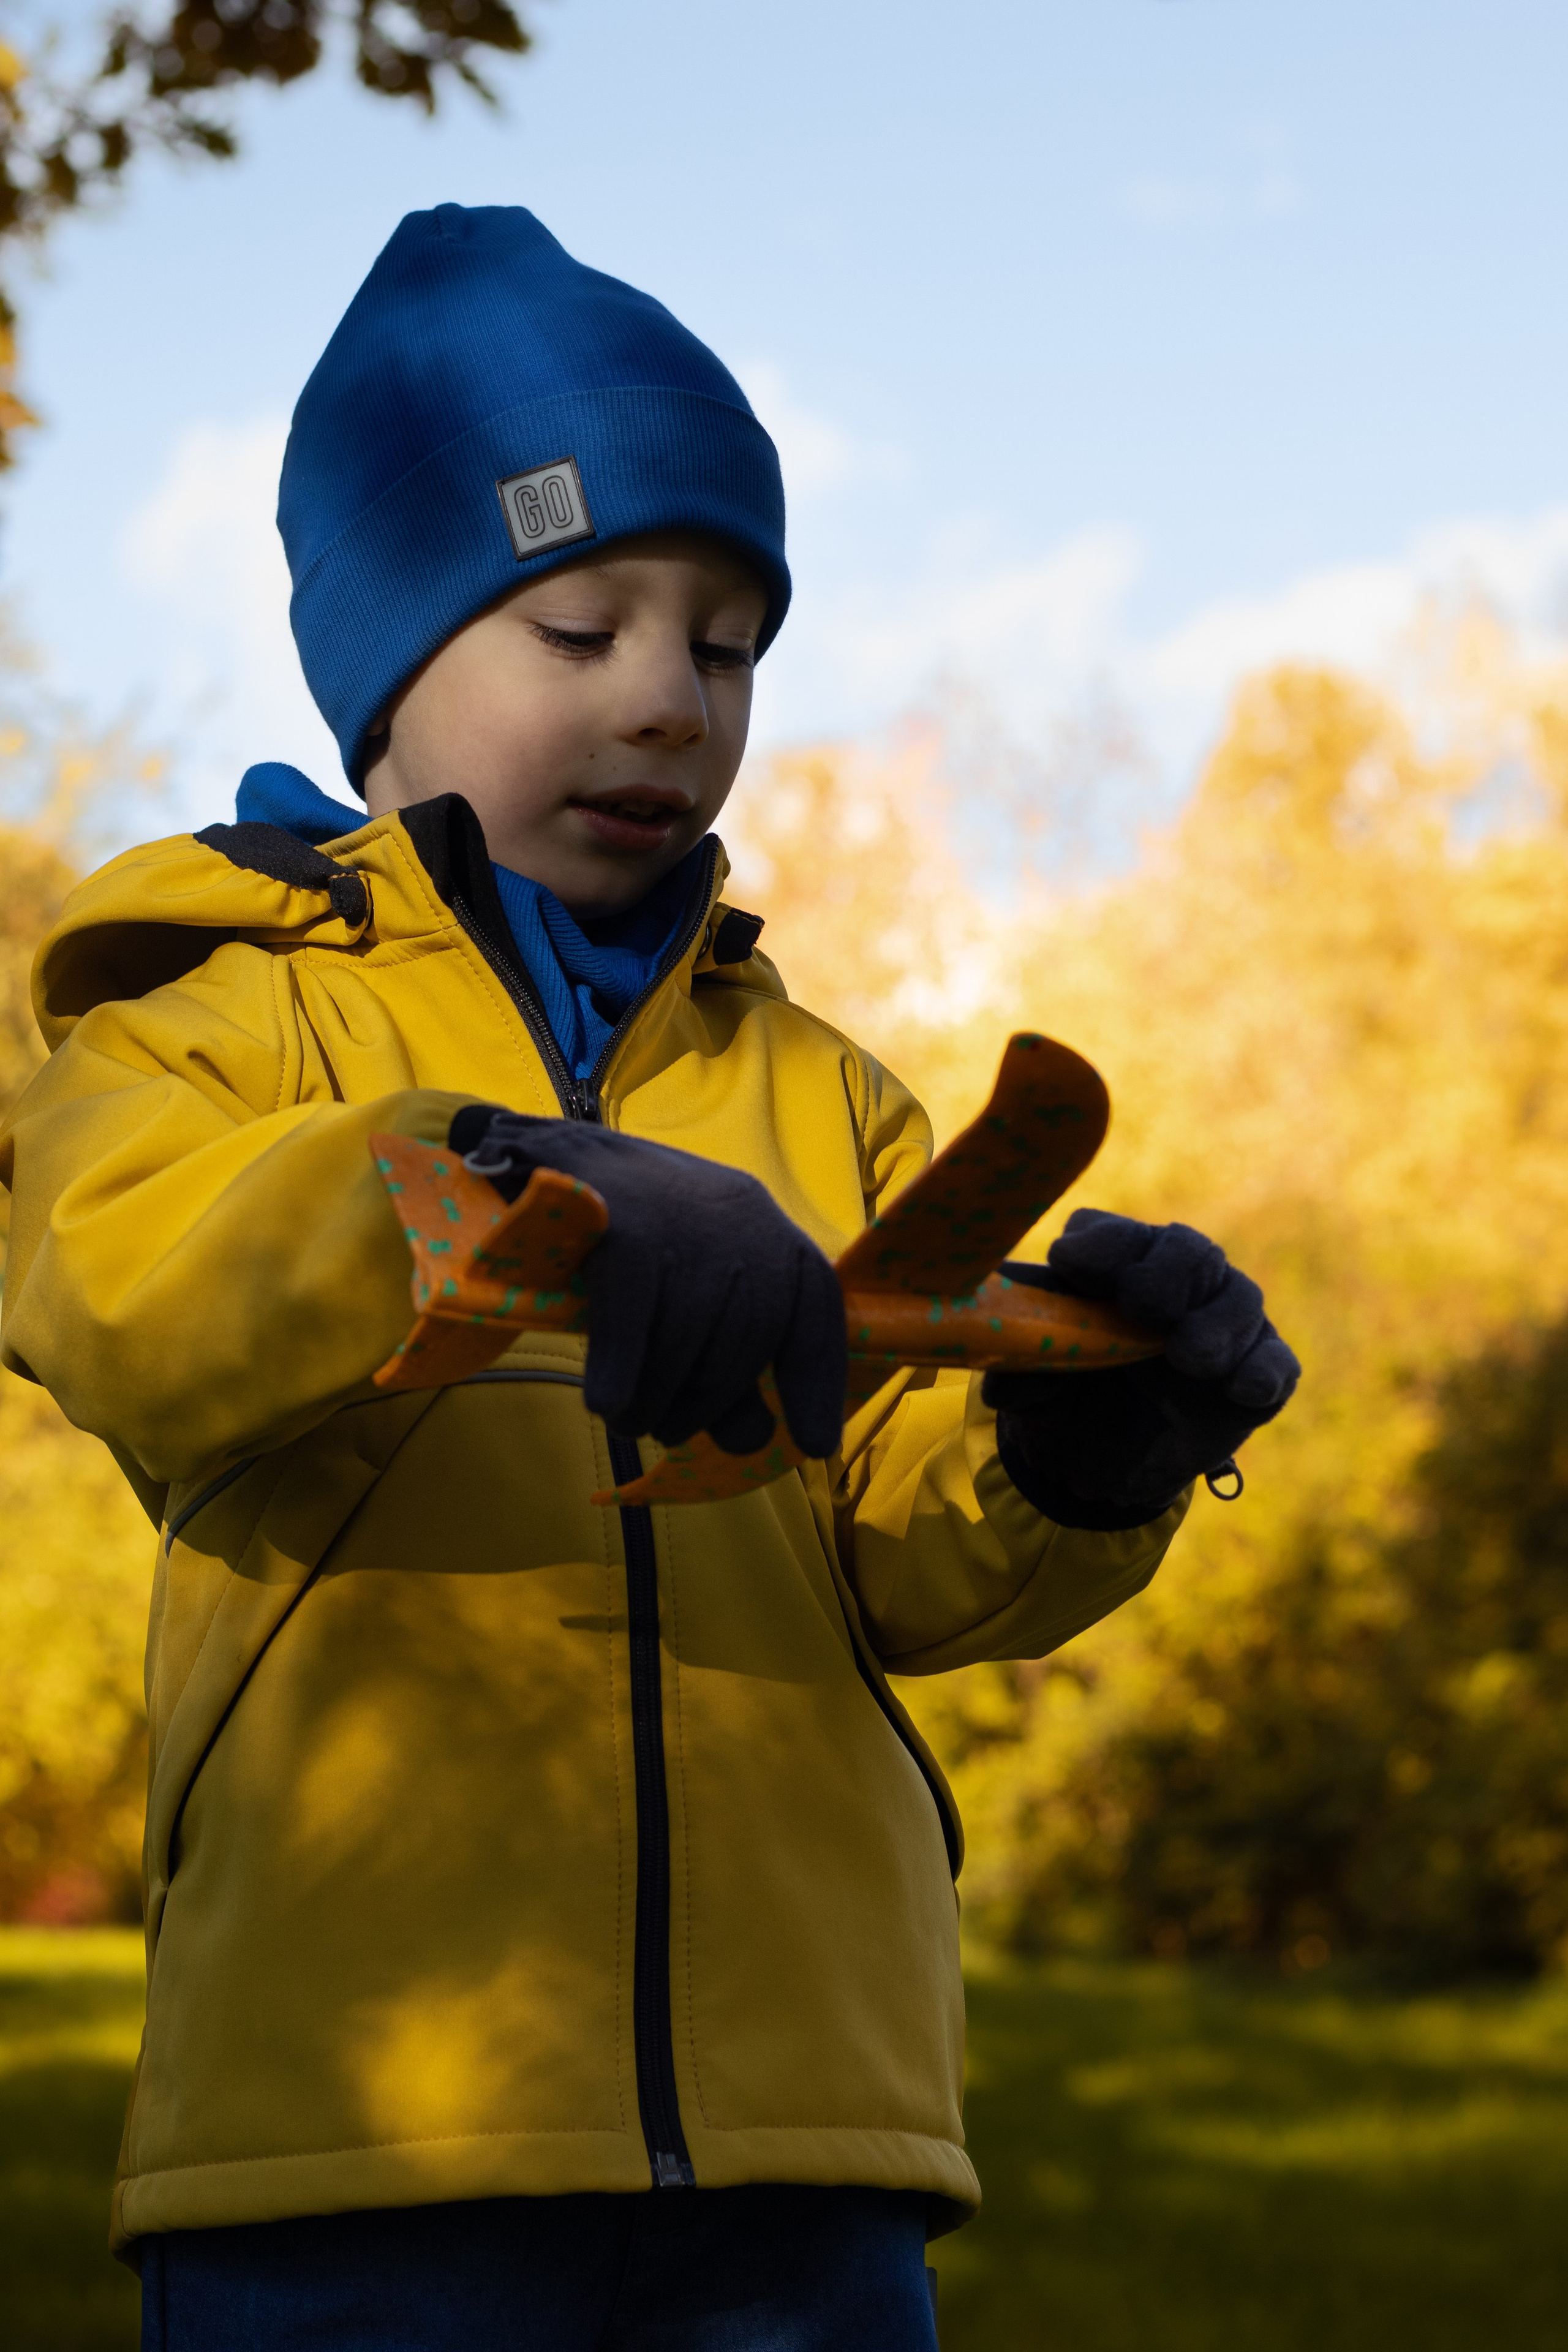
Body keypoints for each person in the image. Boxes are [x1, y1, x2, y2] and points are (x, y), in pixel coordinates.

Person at [0, 206, 1298, 2350]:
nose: (671, 702)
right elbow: (123, 1289)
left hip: (808, 2137)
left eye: (726, 646)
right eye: (584, 623)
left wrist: (1069, 1449)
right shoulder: (209, 1022)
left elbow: (890, 1551)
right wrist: (528, 1179)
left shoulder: (825, 1094)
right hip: (366, 2128)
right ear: (390, 676)